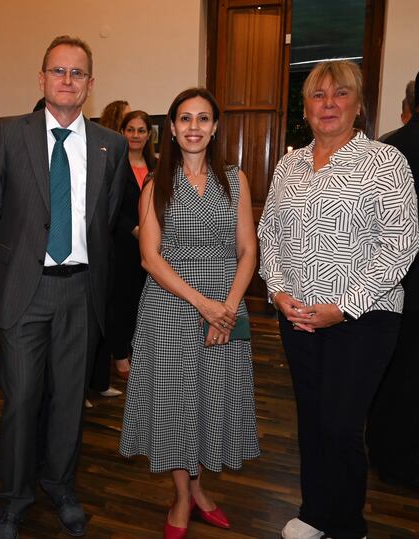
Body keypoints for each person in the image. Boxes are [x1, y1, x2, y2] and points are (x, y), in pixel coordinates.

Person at [258, 60, 419, 539]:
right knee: (311, 420)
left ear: (358, 103)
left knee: (341, 427)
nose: (328, 104)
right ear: (305, 107)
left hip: (363, 320)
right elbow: (269, 233)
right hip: (299, 317)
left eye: (339, 94)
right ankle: (315, 512)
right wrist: (278, 289)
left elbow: (401, 243)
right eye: (317, 95)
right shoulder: (290, 163)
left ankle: (349, 526)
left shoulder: (386, 162)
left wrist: (344, 305)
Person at [0, 35, 130, 539]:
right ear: (41, 78)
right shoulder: (8, 132)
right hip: (27, 291)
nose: (68, 80)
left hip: (81, 293)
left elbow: (105, 220)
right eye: (58, 71)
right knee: (21, 399)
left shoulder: (111, 144)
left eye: (78, 73)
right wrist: (26, 261)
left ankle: (60, 483)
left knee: (69, 399)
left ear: (90, 83)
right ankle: (13, 498)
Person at [120, 88, 259, 538]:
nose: (194, 127)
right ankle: (183, 496)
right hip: (171, 307)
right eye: (185, 119)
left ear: (215, 127)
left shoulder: (235, 179)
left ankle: (200, 490)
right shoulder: (156, 181)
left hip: (225, 304)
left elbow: (247, 249)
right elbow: (149, 256)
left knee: (210, 400)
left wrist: (229, 309)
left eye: (203, 118)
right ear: (173, 129)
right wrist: (203, 306)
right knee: (176, 405)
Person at [366, 59, 419, 493]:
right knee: (418, 381)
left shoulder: (387, 148)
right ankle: (401, 463)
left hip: (384, 283)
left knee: (386, 371)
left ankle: (377, 443)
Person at [110, 110, 156, 381]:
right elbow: (111, 204)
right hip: (123, 243)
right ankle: (119, 354)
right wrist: (136, 230)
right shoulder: (115, 164)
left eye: (141, 130)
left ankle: (139, 349)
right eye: (131, 129)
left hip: (152, 245)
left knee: (144, 300)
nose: (136, 135)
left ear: (149, 135)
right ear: (123, 132)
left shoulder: (156, 165)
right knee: (122, 301)